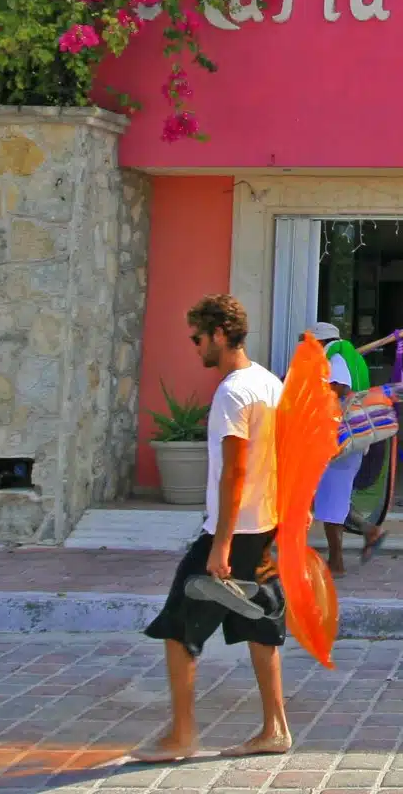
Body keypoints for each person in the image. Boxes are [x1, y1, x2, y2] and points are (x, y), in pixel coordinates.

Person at [135, 294, 292, 763]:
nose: (195, 347)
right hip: (261, 527)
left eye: (198, 338)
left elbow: (235, 472)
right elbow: (283, 460)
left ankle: (181, 735)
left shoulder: (232, 391)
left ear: (220, 334)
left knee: (178, 627)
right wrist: (280, 522)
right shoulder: (270, 383)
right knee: (260, 622)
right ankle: (275, 728)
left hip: (234, 530)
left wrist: (219, 543)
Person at [309, 322, 386, 575]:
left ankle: (337, 562)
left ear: (320, 341)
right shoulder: (351, 356)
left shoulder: (336, 356)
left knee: (331, 505)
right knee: (333, 499)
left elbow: (339, 386)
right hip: (349, 436)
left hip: (339, 438)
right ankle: (369, 531)